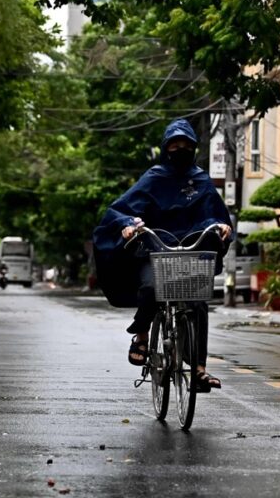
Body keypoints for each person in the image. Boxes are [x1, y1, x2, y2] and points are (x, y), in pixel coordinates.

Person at [92, 118, 233, 391]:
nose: (180, 149)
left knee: (198, 302)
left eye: (186, 145)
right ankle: (142, 336)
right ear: (166, 147)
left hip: (192, 253)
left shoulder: (201, 180)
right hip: (155, 250)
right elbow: (119, 210)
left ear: (193, 148)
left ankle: (199, 371)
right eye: (174, 144)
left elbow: (216, 214)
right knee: (150, 286)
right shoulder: (154, 177)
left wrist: (223, 226)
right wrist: (128, 226)